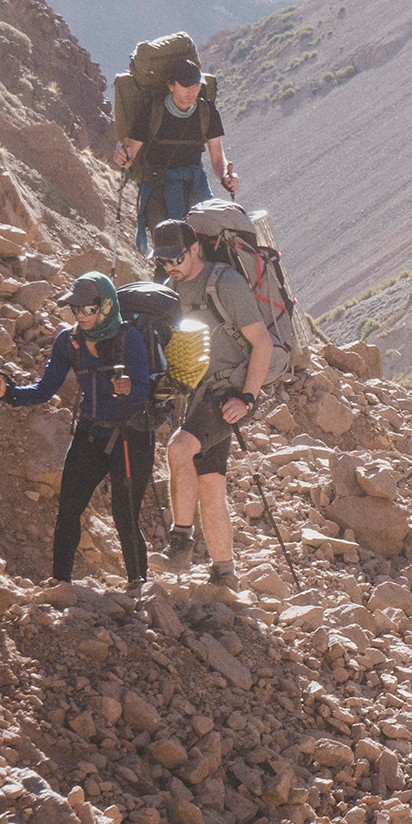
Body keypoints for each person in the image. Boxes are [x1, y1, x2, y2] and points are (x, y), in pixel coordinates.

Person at [0, 273, 153, 591]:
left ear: (105, 307)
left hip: (131, 435)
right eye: (76, 309)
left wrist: (129, 389)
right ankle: (60, 581)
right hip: (90, 433)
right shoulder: (69, 341)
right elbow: (45, 388)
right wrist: (8, 393)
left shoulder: (128, 338)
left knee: (125, 514)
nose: (80, 316)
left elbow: (143, 389)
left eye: (87, 309)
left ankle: (139, 584)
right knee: (68, 509)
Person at [151, 218, 273, 585]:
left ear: (195, 249)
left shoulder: (225, 284)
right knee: (210, 485)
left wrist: (248, 398)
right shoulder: (167, 291)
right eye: (164, 260)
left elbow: (263, 343)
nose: (171, 266)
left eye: (176, 258)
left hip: (229, 393)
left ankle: (180, 546)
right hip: (197, 394)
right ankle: (225, 573)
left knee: (178, 450)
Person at [115, 56, 237, 253]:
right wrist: (122, 158)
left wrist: (225, 177)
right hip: (158, 190)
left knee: (203, 249)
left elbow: (217, 157)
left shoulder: (207, 112)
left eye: (196, 86)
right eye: (186, 86)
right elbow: (131, 153)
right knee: (170, 251)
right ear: (171, 86)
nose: (192, 92)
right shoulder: (152, 112)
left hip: (193, 187)